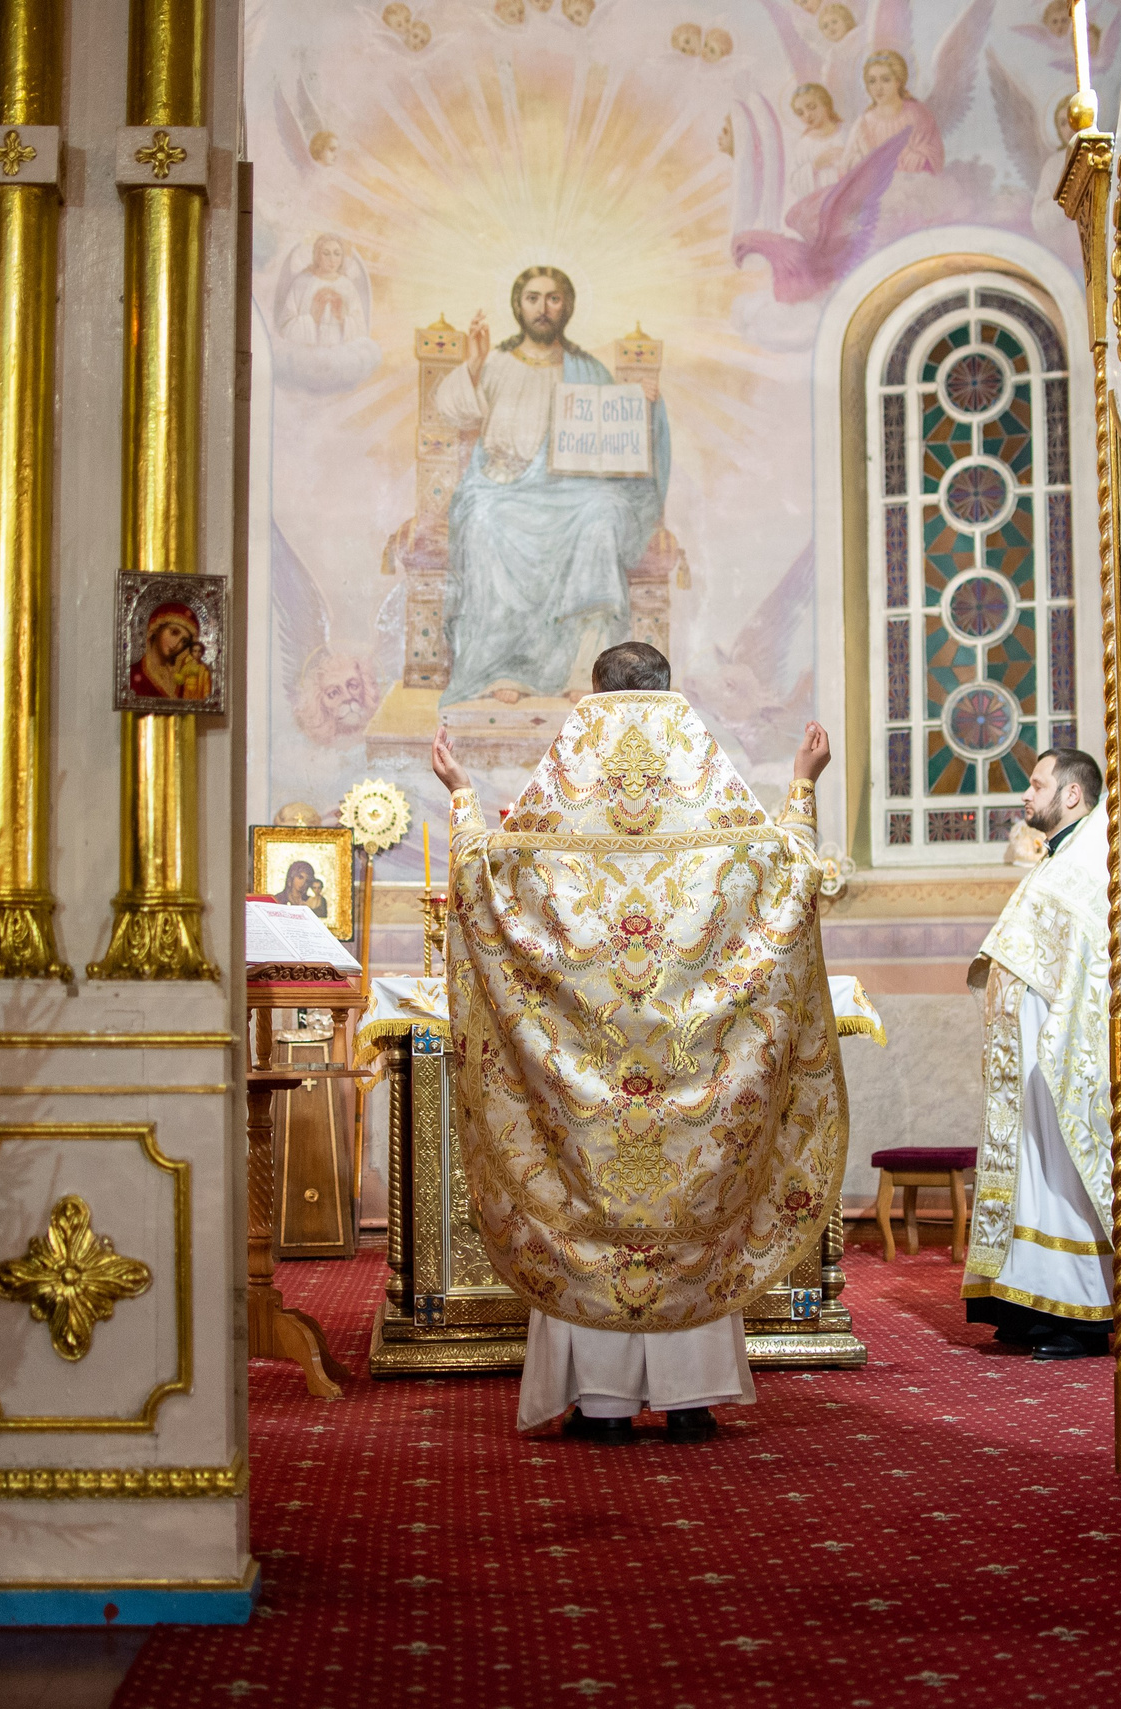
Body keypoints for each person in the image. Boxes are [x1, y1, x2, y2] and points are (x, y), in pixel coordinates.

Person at [431, 643, 847, 1443]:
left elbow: (484, 884)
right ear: (667, 687)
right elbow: (790, 874)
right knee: (684, 1199)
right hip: (694, 1070)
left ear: (595, 689)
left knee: (596, 1206)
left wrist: (461, 798)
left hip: (584, 1075)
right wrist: (803, 783)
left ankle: (604, 1403)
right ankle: (691, 1398)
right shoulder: (705, 789)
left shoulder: (565, 790)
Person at [430, 266, 671, 706]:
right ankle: (502, 665)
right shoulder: (497, 363)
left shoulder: (587, 369)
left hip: (572, 495)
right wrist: (475, 362)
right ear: (518, 306)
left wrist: (642, 401)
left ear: (568, 307)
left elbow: (616, 434)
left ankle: (585, 667)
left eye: (554, 298)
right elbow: (451, 410)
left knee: (602, 514)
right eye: (533, 298)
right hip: (504, 488)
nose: (543, 308)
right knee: (484, 520)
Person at [963, 747, 1113, 1361]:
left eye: (1036, 784)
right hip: (1030, 1056)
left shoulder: (1088, 862)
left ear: (1071, 795)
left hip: (1060, 1050)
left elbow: (1089, 966)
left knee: (1059, 1177)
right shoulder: (1059, 859)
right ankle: (1028, 1303)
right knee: (1032, 1176)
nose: (1026, 796)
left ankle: (1080, 1316)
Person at [130, 602, 213, 700]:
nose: (177, 644)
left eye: (184, 641)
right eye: (174, 632)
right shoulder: (133, 673)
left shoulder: (185, 675)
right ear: (157, 628)